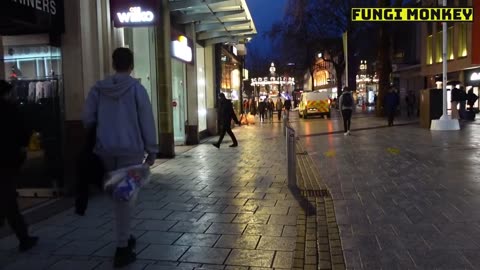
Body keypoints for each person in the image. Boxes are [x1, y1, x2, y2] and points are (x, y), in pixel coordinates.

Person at [83, 48, 158, 268]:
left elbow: (87, 118)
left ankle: (126, 235)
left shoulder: (98, 89)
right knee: (125, 197)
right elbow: (146, 120)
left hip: (105, 150)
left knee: (117, 195)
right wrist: (151, 149)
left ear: (113, 63)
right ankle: (122, 247)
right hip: (131, 152)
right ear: (131, 64)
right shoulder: (137, 90)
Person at [0, 80, 38, 252]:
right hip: (7, 161)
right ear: (6, 93)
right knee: (9, 201)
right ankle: (24, 238)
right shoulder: (11, 110)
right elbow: (24, 133)